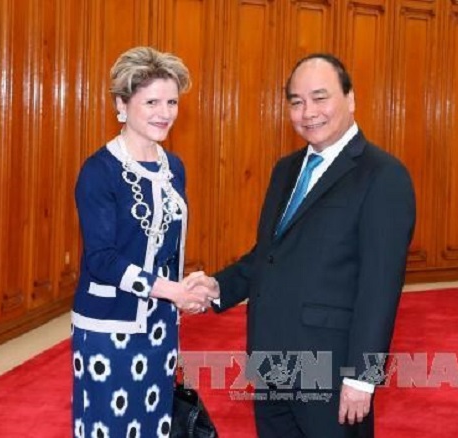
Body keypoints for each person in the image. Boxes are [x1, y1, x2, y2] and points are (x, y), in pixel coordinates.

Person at [185, 53, 416, 437]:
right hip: (271, 361)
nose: (308, 112)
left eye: (320, 97)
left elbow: (381, 288)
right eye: (296, 101)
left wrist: (363, 379)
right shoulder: (286, 169)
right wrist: (219, 286)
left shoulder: (383, 176)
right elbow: (269, 255)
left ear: (351, 99)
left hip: (331, 370)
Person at [71, 46, 215, 438]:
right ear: (122, 103)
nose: (164, 112)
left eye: (171, 101)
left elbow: (165, 246)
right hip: (109, 327)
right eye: (151, 101)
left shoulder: (174, 167)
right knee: (111, 426)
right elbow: (102, 259)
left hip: (161, 325)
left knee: (155, 425)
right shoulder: (99, 171)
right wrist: (173, 291)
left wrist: (188, 287)